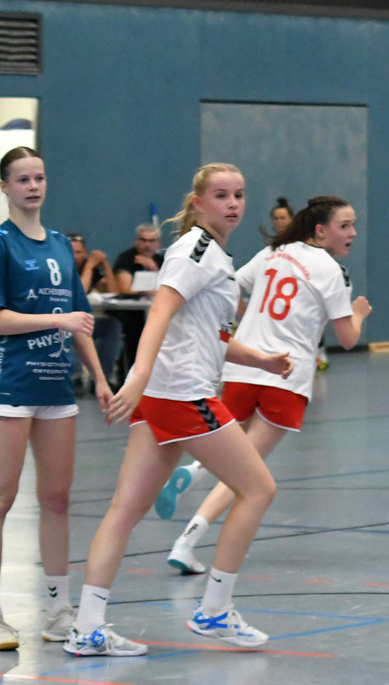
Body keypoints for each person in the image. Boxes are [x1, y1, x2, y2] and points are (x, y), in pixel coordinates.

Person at [68, 164, 295, 657]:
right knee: (258, 488)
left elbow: (209, 336)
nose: (232, 204)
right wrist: (137, 376)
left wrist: (261, 360)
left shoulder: (214, 256)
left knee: (124, 510)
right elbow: (161, 311)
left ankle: (87, 627)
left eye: (239, 195)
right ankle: (214, 610)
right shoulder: (195, 250)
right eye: (221, 195)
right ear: (197, 203)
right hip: (184, 396)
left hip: (165, 396)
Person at [163, 196, 370, 573]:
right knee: (247, 470)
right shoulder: (332, 271)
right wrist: (358, 312)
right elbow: (347, 339)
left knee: (235, 451)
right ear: (320, 230)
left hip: (243, 369)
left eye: (354, 225)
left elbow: (232, 288)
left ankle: (195, 472)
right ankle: (187, 537)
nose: (353, 232)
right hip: (285, 375)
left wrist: (253, 318)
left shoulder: (274, 252)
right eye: (345, 225)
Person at [0, 148, 113, 653]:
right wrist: (56, 321)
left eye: (40, 178)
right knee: (0, 497)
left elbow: (80, 319)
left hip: (56, 388)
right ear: (5, 187)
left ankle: (58, 610)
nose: (33, 186)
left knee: (56, 499)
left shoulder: (58, 246)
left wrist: (100, 377)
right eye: (23, 179)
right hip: (10, 385)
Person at [68, 232, 124, 389]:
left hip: (87, 319)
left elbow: (113, 291)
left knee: (111, 325)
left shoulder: (89, 266)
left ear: (85, 252)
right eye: (71, 252)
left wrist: (104, 264)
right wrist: (90, 266)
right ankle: (75, 377)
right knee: (72, 326)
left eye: (78, 252)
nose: (75, 256)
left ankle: (102, 378)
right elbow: (80, 292)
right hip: (65, 321)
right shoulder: (61, 267)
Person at [111, 223, 162, 377]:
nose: (147, 245)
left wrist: (155, 269)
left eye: (151, 241)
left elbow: (169, 288)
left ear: (158, 243)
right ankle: (128, 375)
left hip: (155, 313)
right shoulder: (126, 259)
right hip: (130, 314)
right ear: (136, 241)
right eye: (143, 240)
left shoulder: (162, 261)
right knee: (137, 333)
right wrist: (149, 291)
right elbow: (125, 288)